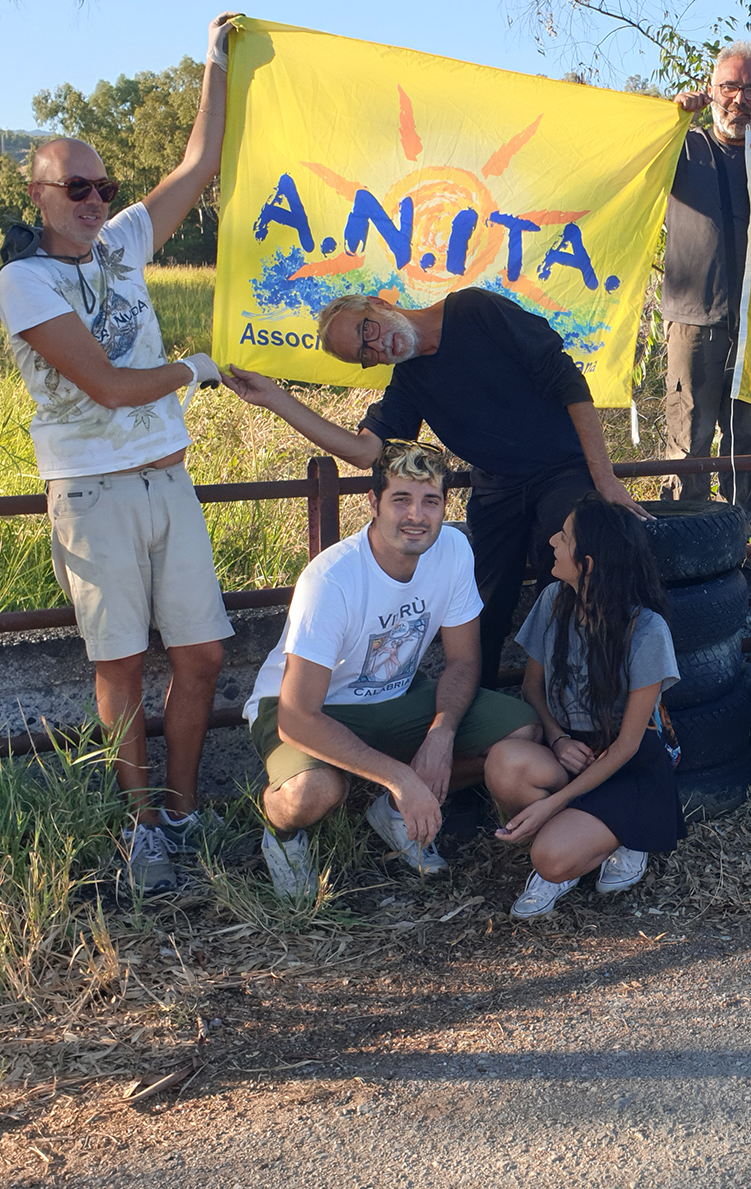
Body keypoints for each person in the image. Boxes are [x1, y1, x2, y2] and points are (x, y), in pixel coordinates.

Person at [0, 10, 239, 897]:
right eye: (77, 189)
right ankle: (142, 829)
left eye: (104, 186)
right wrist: (198, 368)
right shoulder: (25, 281)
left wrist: (216, 58)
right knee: (122, 663)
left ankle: (183, 808)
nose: (96, 201)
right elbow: (108, 385)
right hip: (92, 493)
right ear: (41, 197)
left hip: (167, 477)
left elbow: (197, 166)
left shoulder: (126, 244)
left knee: (203, 653)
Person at [220, 287, 648, 681]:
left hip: (562, 469)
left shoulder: (473, 310)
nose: (377, 346)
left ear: (379, 303)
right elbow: (365, 451)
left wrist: (604, 479)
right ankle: (481, 720)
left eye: (367, 329)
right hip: (497, 489)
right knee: (480, 607)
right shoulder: (408, 381)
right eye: (365, 354)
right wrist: (276, 399)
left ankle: (591, 708)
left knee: (576, 565)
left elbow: (567, 378)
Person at [242, 441, 542, 896]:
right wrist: (401, 776)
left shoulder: (455, 550)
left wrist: (441, 734)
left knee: (520, 733)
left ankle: (394, 813)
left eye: (430, 501)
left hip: (396, 697)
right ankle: (283, 836)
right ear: (373, 503)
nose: (416, 516)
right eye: (401, 499)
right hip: (312, 707)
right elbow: (295, 715)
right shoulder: (332, 579)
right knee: (314, 792)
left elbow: (464, 660)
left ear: (445, 505)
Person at [485, 497, 686, 918]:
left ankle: (625, 836)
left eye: (565, 536)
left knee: (549, 860)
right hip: (572, 751)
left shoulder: (647, 630)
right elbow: (531, 688)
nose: (553, 541)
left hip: (630, 763)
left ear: (588, 563)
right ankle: (584, 829)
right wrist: (556, 738)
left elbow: (630, 745)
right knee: (504, 764)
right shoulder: (553, 599)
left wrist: (551, 804)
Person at [663, 41, 751, 511]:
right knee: (689, 436)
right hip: (694, 320)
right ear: (711, 91)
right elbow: (622, 155)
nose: (739, 99)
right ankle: (681, 539)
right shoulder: (681, 147)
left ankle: (742, 547)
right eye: (729, 86)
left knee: (746, 439)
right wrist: (671, 120)